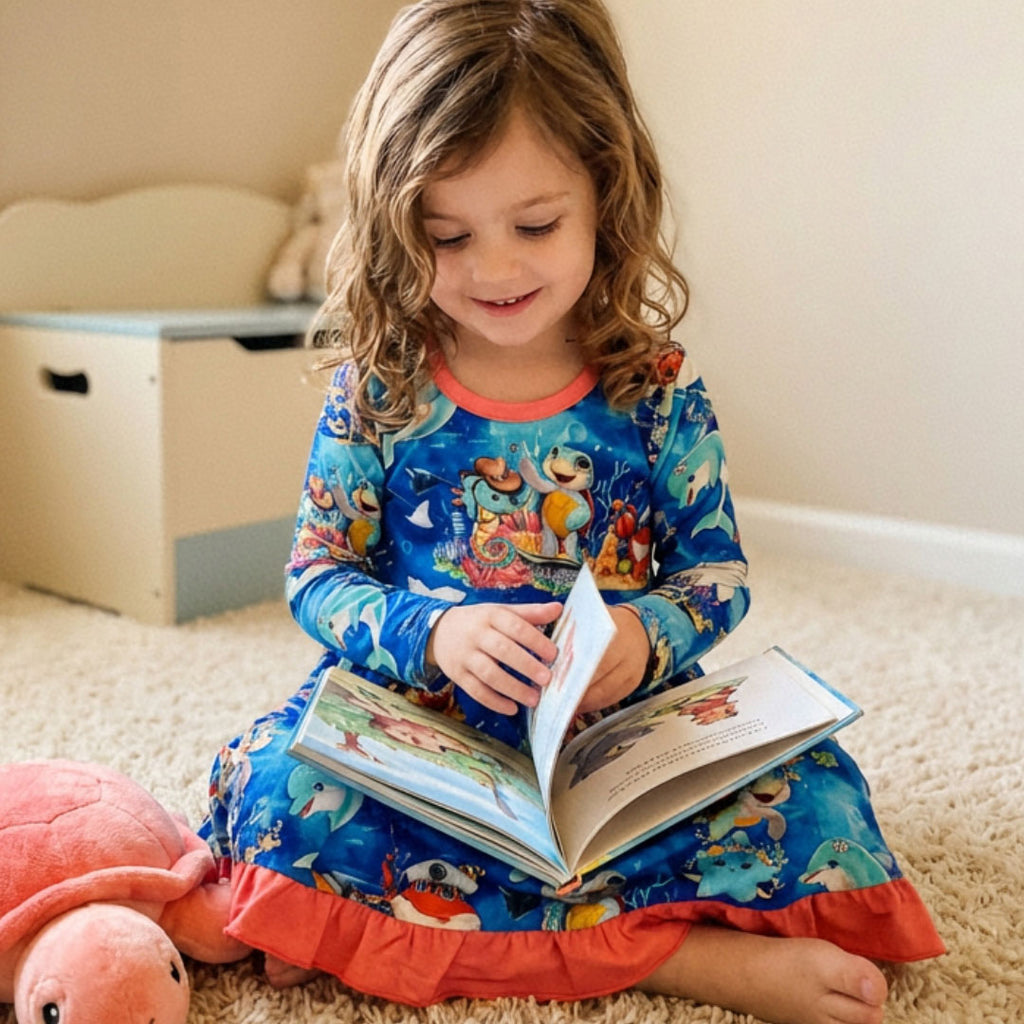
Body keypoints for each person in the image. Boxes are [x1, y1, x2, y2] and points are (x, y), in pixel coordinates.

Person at [201, 2, 943, 1022]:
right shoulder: (380, 392)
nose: (495, 269)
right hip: (432, 734)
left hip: (621, 744)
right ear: (391, 223)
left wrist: (643, 636)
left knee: (819, 799)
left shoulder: (659, 392)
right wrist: (433, 632)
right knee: (276, 792)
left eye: (536, 226)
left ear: (607, 192)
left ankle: (426, 939)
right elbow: (318, 574)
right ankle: (669, 953)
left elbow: (714, 576)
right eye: (446, 235)